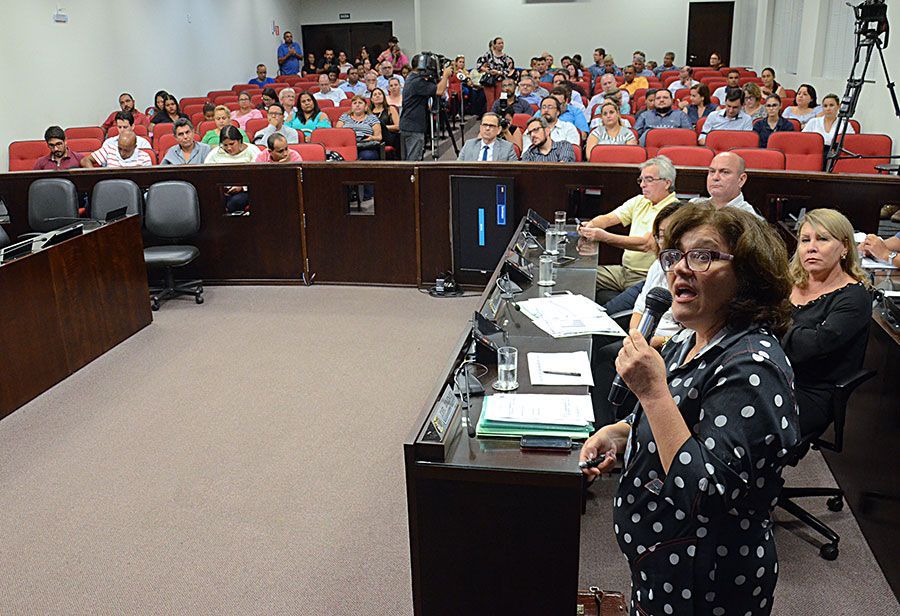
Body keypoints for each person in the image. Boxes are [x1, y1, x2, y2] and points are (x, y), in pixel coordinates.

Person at [580, 203, 798, 616]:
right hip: (663, 561)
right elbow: (683, 417)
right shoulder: (690, 336)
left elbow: (707, 492)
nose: (679, 267)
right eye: (675, 255)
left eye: (702, 255)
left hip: (706, 579)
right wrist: (624, 433)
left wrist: (652, 393)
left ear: (747, 275)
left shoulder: (752, 367)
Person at [590, 200, 685, 425]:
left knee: (606, 358)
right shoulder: (658, 266)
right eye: (659, 235)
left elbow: (689, 333)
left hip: (670, 344)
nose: (663, 242)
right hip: (645, 337)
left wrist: (648, 343)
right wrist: (635, 336)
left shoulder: (688, 272)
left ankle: (606, 427)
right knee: (598, 343)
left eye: (669, 235)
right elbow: (640, 307)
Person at [782, 208, 872, 439]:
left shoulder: (854, 296)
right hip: (772, 373)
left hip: (811, 390)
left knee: (742, 421)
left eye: (822, 239)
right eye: (805, 240)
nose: (811, 247)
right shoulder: (786, 283)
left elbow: (813, 345)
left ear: (844, 247)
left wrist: (772, 326)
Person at [578, 156, 680, 297]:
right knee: (580, 276)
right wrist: (591, 225)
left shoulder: (673, 209)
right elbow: (609, 218)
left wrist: (604, 237)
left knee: (611, 308)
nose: (642, 185)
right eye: (641, 180)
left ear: (667, 183)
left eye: (649, 180)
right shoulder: (640, 201)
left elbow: (646, 244)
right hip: (623, 271)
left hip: (644, 277)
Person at [399, 57, 453, 161]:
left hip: (409, 124)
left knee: (412, 158)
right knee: (414, 160)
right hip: (413, 126)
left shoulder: (412, 78)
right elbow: (439, 90)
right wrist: (445, 75)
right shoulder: (417, 82)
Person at [205, 126, 260, 214]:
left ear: (239, 141)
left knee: (235, 202)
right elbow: (207, 175)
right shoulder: (214, 153)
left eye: (232, 144)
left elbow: (258, 176)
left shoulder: (252, 151)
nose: (229, 148)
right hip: (222, 190)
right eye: (225, 145)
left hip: (246, 191)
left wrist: (242, 187)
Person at [691, 152, 758, 215]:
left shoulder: (749, 218)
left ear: (741, 180)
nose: (715, 177)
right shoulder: (694, 206)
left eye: (725, 172)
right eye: (712, 171)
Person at [335, 95, 383, 160]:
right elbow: (337, 133)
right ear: (351, 107)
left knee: (368, 156)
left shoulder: (372, 118)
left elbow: (379, 137)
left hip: (366, 146)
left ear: (366, 107)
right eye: (355, 103)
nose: (357, 105)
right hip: (347, 146)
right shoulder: (345, 117)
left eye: (360, 103)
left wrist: (371, 138)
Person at [476, 37, 517, 111]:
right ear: (494, 45)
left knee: (500, 100)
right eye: (499, 43)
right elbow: (479, 65)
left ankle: (499, 118)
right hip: (489, 81)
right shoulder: (488, 54)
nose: (501, 45)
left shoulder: (506, 57)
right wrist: (487, 70)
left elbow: (509, 70)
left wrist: (498, 72)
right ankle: (490, 118)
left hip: (500, 81)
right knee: (490, 102)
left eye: (502, 43)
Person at [82, 131, 152, 168]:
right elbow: (85, 160)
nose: (122, 153)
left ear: (135, 147)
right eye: (120, 148)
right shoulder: (109, 149)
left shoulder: (144, 157)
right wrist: (95, 176)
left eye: (126, 150)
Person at [369, 88, 400, 155]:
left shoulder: (391, 109)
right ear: (371, 99)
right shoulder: (369, 112)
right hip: (373, 136)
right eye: (375, 95)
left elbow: (398, 126)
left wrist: (383, 127)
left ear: (383, 96)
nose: (377, 96)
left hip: (388, 136)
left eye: (380, 94)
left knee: (380, 124)